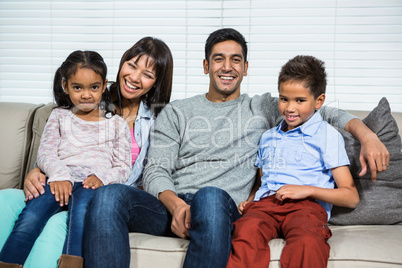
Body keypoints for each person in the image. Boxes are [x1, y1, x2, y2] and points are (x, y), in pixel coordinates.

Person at [84, 28, 388, 268]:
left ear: (245, 68)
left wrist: (367, 134)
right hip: (172, 208)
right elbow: (157, 169)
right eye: (218, 58)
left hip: (220, 208)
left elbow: (324, 112)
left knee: (211, 197)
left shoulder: (263, 106)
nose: (227, 67)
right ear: (206, 65)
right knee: (109, 195)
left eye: (235, 60)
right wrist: (175, 204)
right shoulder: (177, 111)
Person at [0, 37, 173, 268]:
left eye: (147, 74)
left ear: (157, 82)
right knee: (20, 209)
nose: (134, 77)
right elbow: (50, 151)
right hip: (62, 182)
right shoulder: (72, 110)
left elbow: (140, 172)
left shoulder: (158, 121)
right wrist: (40, 170)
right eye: (132, 65)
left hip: (106, 196)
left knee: (68, 220)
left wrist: (103, 180)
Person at [226, 55, 360, 268]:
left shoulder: (326, 135)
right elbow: (262, 182)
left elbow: (350, 197)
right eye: (284, 99)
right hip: (266, 205)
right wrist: (251, 199)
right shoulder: (268, 137)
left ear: (319, 101)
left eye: (300, 100)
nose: (289, 108)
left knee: (307, 241)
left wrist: (307, 190)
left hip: (306, 208)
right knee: (245, 231)